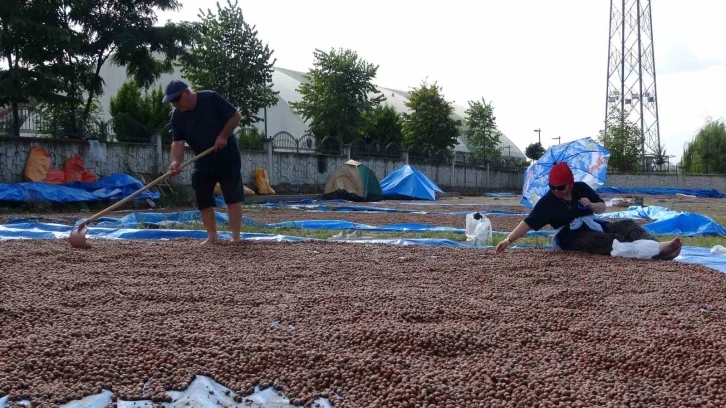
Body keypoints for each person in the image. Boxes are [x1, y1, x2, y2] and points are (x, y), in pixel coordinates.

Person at [495, 162, 682, 260]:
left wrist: (591, 206)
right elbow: (528, 222)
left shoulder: (581, 188)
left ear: (570, 184)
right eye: (552, 187)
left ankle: (656, 247)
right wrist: (508, 240)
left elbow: (602, 208)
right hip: (572, 236)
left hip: (595, 223)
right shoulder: (548, 202)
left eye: (560, 187)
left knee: (627, 224)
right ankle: (657, 251)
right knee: (609, 241)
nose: (555, 191)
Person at [163, 79, 244, 245]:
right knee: (202, 195)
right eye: (172, 102)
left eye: (176, 100)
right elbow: (178, 142)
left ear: (186, 93)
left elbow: (236, 116)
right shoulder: (177, 116)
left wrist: (223, 136)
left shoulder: (211, 99)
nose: (175, 105)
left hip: (226, 155)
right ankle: (212, 237)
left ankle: (235, 237)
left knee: (232, 195)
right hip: (202, 157)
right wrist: (175, 162)